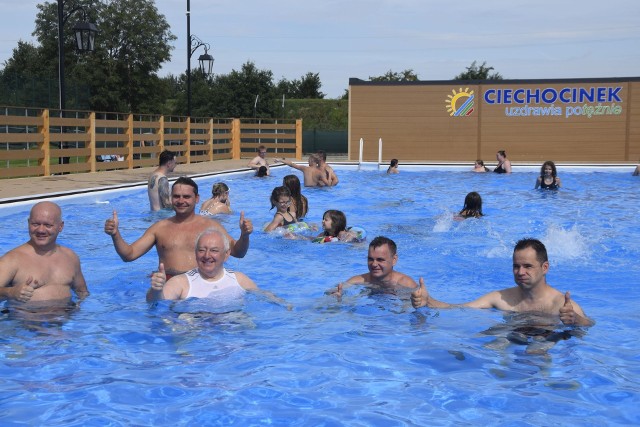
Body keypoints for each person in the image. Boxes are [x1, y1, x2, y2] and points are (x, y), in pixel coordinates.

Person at [411, 238, 594, 327]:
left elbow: (589, 324)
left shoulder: (561, 305)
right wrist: (429, 301)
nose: (520, 272)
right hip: (511, 334)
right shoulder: (501, 297)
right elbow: (460, 308)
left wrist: (576, 320)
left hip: (547, 341)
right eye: (516, 266)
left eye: (528, 266)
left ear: (545, 267)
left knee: (537, 350)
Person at [105, 177, 253, 278]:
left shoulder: (211, 226)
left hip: (201, 283)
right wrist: (115, 234)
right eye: (176, 196)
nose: (181, 201)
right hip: (169, 285)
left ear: (197, 199)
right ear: (171, 198)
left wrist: (244, 236)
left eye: (186, 197)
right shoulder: (159, 228)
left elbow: (238, 252)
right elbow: (129, 255)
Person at [146, 228, 290, 308]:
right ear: (195, 253)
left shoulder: (239, 279)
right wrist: (155, 290)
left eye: (214, 250)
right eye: (201, 250)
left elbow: (264, 295)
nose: (207, 255)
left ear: (226, 254)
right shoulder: (181, 283)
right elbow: (157, 302)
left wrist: (287, 307)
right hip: (194, 328)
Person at [0, 201, 88, 305]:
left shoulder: (70, 257)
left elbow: (82, 292)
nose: (41, 230)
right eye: (35, 224)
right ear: (28, 223)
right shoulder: (12, 259)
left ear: (60, 226)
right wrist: (10, 292)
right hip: (25, 320)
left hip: (67, 319)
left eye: (48, 225)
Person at [331, 236, 417, 297]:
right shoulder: (359, 280)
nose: (374, 264)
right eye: (370, 259)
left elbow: (426, 303)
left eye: (380, 260)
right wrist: (336, 296)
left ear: (394, 260)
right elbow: (332, 291)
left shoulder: (405, 284)